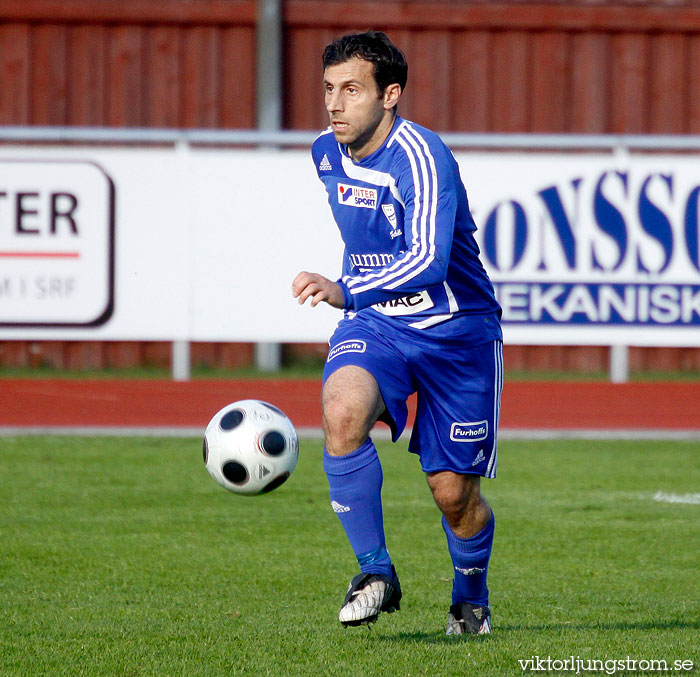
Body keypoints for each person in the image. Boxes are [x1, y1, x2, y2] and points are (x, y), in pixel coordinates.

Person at [292, 30, 503, 636]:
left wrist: (346, 287)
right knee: (341, 412)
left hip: (457, 333)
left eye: (351, 90)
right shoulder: (325, 153)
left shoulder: (423, 155)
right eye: (328, 89)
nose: (334, 104)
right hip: (379, 325)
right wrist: (356, 297)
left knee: (451, 495)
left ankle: (471, 598)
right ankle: (375, 572)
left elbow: (431, 261)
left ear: (391, 96)